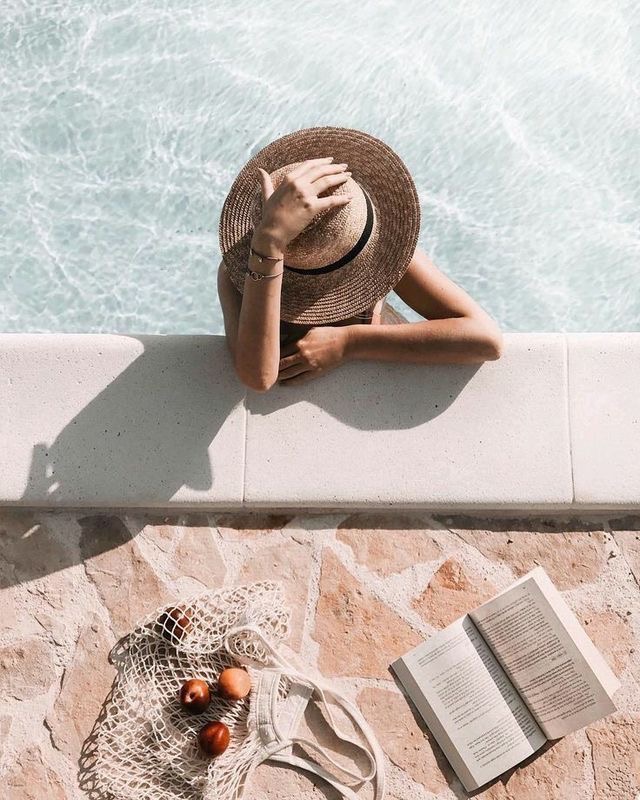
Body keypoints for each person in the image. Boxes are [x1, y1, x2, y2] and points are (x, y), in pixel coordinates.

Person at [217, 126, 503, 392]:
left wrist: (348, 342)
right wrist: (269, 245)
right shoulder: (243, 269)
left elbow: (485, 339)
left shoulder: (374, 244)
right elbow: (258, 376)